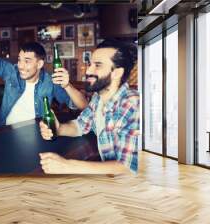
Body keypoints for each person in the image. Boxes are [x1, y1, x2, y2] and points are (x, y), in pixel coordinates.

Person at [0, 4, 88, 128]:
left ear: (39, 64)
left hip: (37, 131)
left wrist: (67, 85)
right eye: (19, 60)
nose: (21, 65)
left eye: (27, 61)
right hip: (5, 132)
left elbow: (82, 106)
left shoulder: (50, 81)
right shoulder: (11, 72)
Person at [39, 39, 139, 174]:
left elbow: (129, 167)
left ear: (117, 73)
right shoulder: (98, 98)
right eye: (90, 64)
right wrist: (59, 128)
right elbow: (80, 125)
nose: (88, 70)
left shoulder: (131, 105)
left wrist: (68, 166)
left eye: (97, 65)